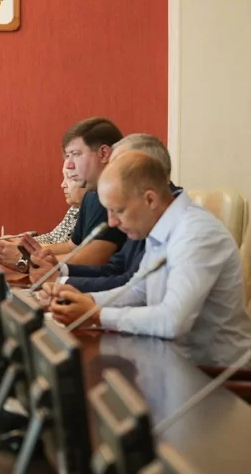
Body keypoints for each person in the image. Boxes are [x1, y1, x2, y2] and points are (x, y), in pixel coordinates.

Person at [48, 151, 251, 367]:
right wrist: (82, 300)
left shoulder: (196, 234)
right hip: (171, 360)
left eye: (118, 211)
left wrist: (96, 314)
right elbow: (139, 291)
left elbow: (172, 321)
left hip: (216, 374)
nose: (112, 222)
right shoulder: (160, 227)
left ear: (150, 199)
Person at [49, 134, 182, 292]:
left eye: (119, 168)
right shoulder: (143, 211)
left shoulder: (181, 224)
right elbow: (118, 269)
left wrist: (61, 282)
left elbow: (131, 285)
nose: (113, 221)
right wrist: (58, 272)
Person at [0, 117, 127, 269]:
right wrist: (25, 249)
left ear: (104, 154)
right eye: (67, 156)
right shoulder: (91, 195)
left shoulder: (114, 195)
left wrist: (25, 261)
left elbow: (92, 259)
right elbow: (71, 247)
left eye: (76, 154)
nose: (69, 165)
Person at [32, 165, 87, 245]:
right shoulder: (75, 209)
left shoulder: (97, 212)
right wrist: (20, 242)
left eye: (70, 178)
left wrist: (26, 248)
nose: (63, 185)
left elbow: (72, 250)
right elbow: (52, 238)